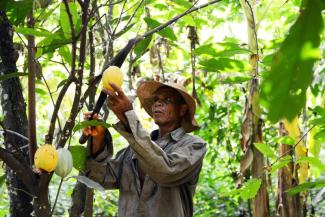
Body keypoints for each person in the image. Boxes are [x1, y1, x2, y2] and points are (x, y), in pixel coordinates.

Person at [83, 80, 206, 217]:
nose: (158, 103)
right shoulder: (133, 150)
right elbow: (101, 178)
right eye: (156, 99)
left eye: (167, 100)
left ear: (182, 109)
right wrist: (98, 138)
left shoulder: (194, 146)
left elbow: (166, 171)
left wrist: (127, 116)